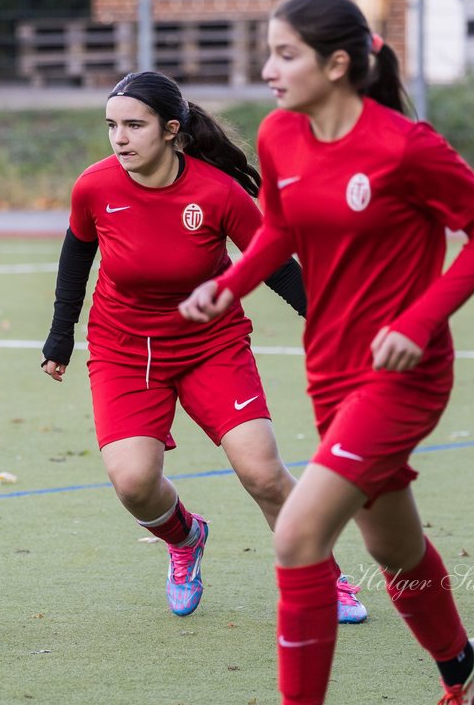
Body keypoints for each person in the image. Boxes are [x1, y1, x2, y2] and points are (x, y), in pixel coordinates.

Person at [179, 0, 474, 705]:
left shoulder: (407, 147)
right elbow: (281, 233)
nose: (267, 70)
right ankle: (465, 667)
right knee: (390, 546)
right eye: (268, 52)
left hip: (403, 375)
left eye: (284, 54)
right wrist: (230, 285)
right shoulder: (280, 133)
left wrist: (423, 316)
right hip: (329, 368)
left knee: (298, 537)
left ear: (337, 65)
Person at [41, 70, 368, 623]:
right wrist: (60, 334)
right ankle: (186, 538)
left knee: (263, 472)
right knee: (134, 484)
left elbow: (276, 266)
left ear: (171, 130)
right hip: (125, 351)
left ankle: (323, 577)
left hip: (210, 344)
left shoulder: (218, 192)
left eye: (134, 126)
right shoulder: (94, 187)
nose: (120, 138)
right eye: (112, 126)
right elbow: (76, 258)